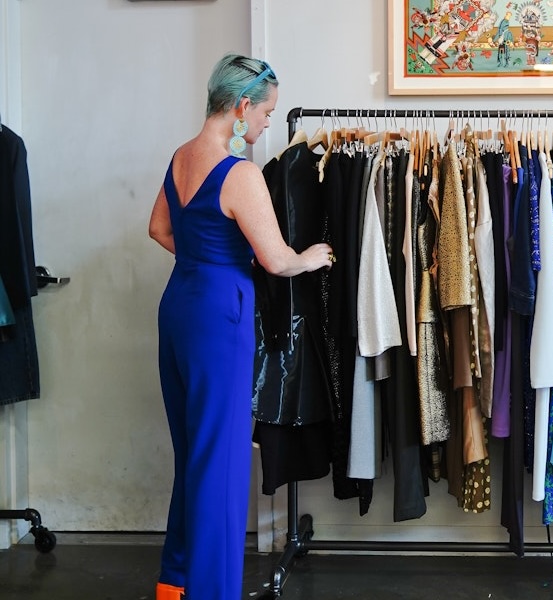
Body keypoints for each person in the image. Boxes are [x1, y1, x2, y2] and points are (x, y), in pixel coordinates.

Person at [148, 53, 333, 600]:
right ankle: (212, 592)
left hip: (179, 304)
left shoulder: (181, 157)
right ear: (242, 106)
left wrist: (206, 257)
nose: (268, 123)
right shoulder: (241, 173)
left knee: (192, 451)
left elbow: (159, 228)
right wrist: (312, 256)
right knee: (223, 462)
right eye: (267, 112)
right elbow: (276, 260)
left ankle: (174, 584)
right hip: (218, 317)